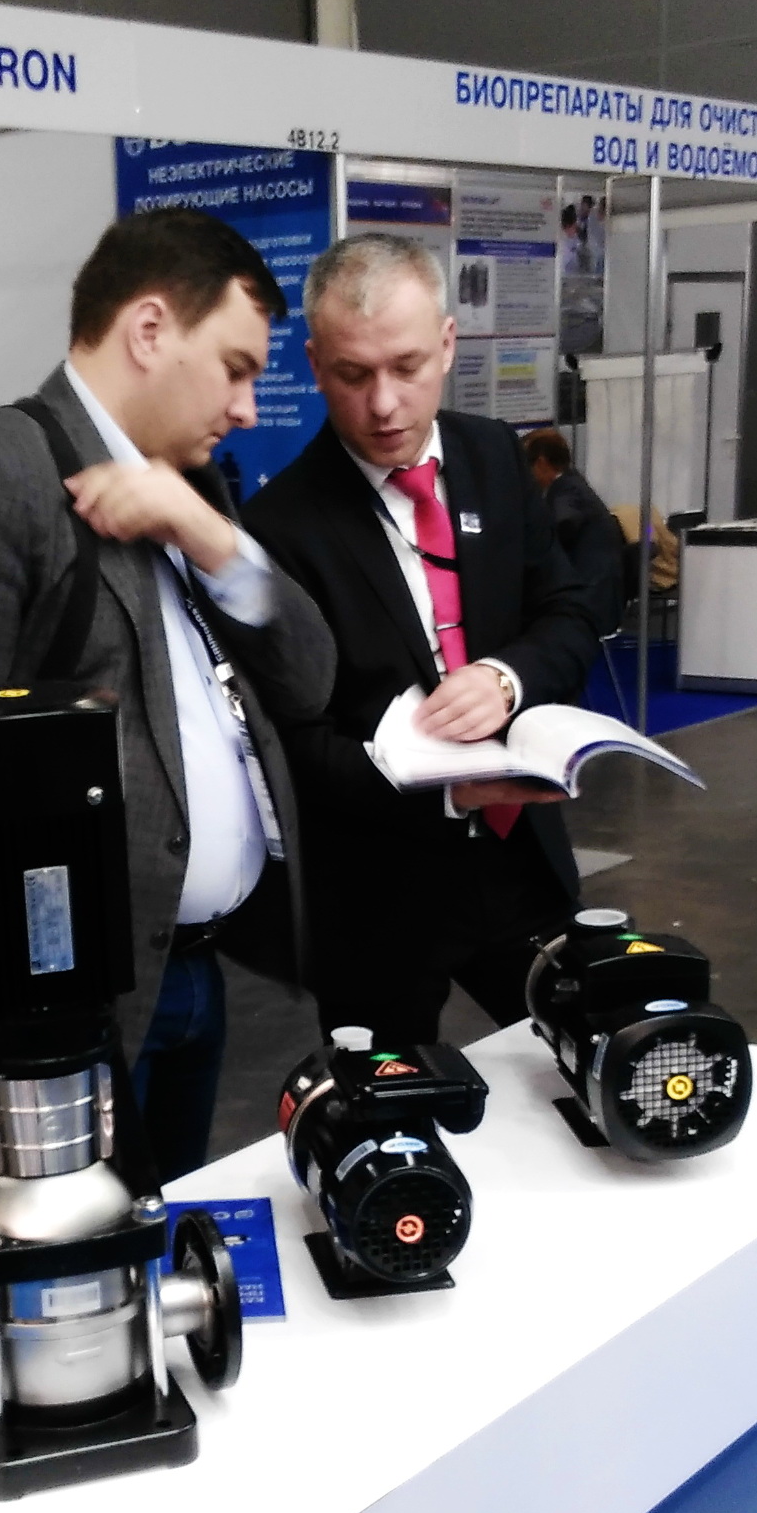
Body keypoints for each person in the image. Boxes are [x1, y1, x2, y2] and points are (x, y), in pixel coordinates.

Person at [0, 207, 336, 1183]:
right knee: (69, 1250)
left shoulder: (191, 488)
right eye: (235, 368)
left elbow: (308, 678)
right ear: (149, 330)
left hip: (192, 972)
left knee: (157, 1226)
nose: (245, 407)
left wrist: (209, 536)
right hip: (57, 1008)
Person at [244, 232, 600, 1044]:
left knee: (581, 1066)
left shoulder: (493, 457)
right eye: (353, 374)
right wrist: (448, 789)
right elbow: (294, 745)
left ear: (446, 344)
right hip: (380, 893)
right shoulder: (279, 528)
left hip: (522, 862)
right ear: (314, 364)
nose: (383, 405)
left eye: (406, 367)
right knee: (401, 1107)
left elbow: (570, 613)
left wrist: (507, 677)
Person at [523, 427, 625, 637]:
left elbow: (565, 522)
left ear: (541, 463)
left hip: (588, 594)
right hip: (599, 589)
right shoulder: (573, 482)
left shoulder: (566, 490)